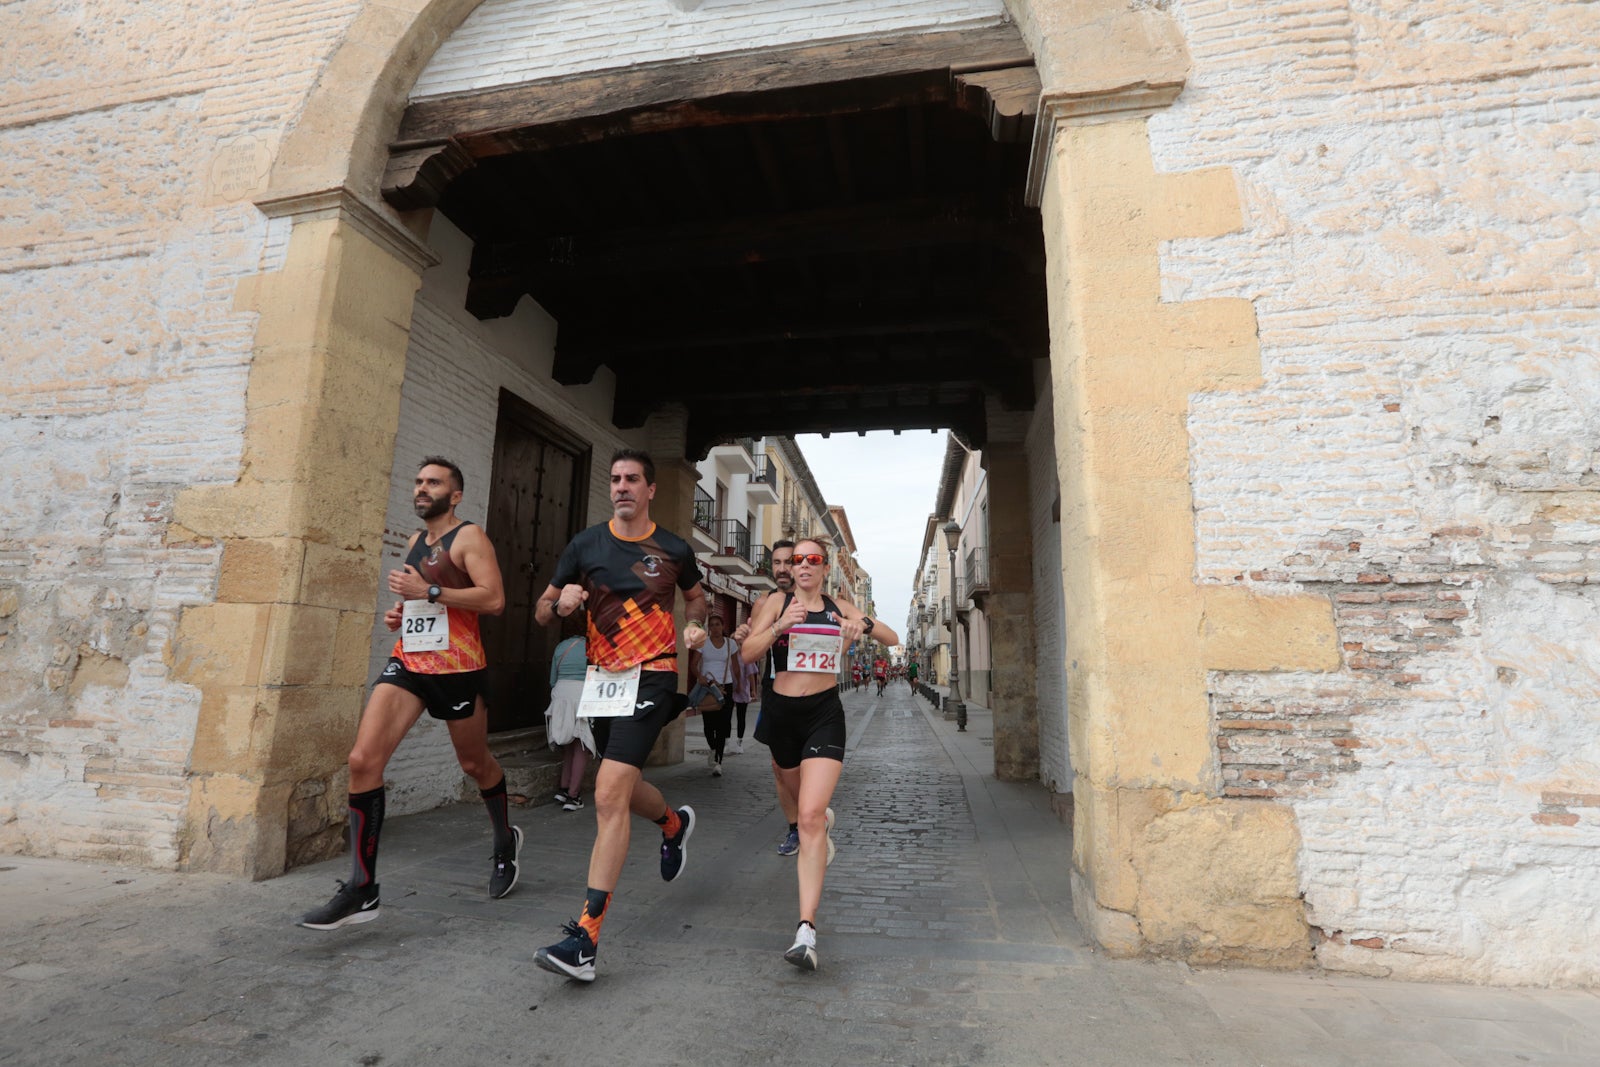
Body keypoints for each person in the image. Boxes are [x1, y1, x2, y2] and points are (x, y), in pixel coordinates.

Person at [298, 457, 517, 930]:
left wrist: (432, 592)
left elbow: (494, 599)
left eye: (433, 483)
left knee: (475, 765)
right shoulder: (416, 540)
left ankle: (504, 839)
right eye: (419, 481)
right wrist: (401, 612)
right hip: (411, 662)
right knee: (362, 761)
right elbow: (416, 596)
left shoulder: (470, 537)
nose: (422, 488)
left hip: (458, 668)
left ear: (454, 495)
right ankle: (362, 888)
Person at [531, 449, 708, 983]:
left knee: (607, 793)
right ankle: (672, 824)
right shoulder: (585, 544)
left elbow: (698, 600)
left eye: (633, 479)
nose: (623, 486)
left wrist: (696, 627)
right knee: (622, 787)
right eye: (616, 479)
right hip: (601, 681)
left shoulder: (674, 549)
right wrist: (561, 603)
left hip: (651, 676)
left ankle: (585, 938)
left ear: (651, 490)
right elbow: (542, 609)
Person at [738, 537, 899, 971]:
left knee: (808, 816)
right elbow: (748, 652)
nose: (803, 565)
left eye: (812, 559)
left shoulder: (838, 605)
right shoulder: (777, 603)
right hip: (782, 713)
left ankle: (806, 929)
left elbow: (891, 635)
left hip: (823, 714)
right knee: (792, 790)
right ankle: (819, 823)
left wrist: (858, 627)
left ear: (825, 567)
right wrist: (779, 627)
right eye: (796, 560)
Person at [732, 540, 802, 857]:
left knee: (808, 763)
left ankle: (811, 818)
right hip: (775, 691)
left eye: (790, 562)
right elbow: (751, 640)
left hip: (811, 691)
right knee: (779, 766)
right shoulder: (764, 603)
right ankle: (795, 829)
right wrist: (744, 636)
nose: (783, 569)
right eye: (777, 562)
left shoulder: (817, 601)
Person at [546, 620, 595, 811]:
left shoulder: (561, 646)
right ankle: (573, 797)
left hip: (561, 693)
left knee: (567, 745)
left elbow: (553, 679)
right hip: (583, 693)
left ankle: (563, 788)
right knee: (582, 745)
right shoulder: (592, 646)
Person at [689, 614, 739, 776]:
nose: (715, 628)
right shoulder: (703, 643)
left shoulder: (731, 644)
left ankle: (718, 761)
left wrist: (738, 686)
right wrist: (700, 677)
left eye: (718, 624)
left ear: (723, 626)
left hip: (726, 687)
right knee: (709, 725)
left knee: (723, 725)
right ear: (708, 628)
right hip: (708, 688)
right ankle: (712, 749)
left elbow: (736, 667)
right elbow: (693, 665)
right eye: (712, 625)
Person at [730, 643, 759, 755]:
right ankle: (726, 741)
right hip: (729, 689)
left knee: (741, 716)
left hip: (742, 690)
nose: (737, 645)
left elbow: (751, 675)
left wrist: (753, 689)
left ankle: (739, 742)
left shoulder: (746, 656)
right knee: (726, 716)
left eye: (739, 643)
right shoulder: (728, 656)